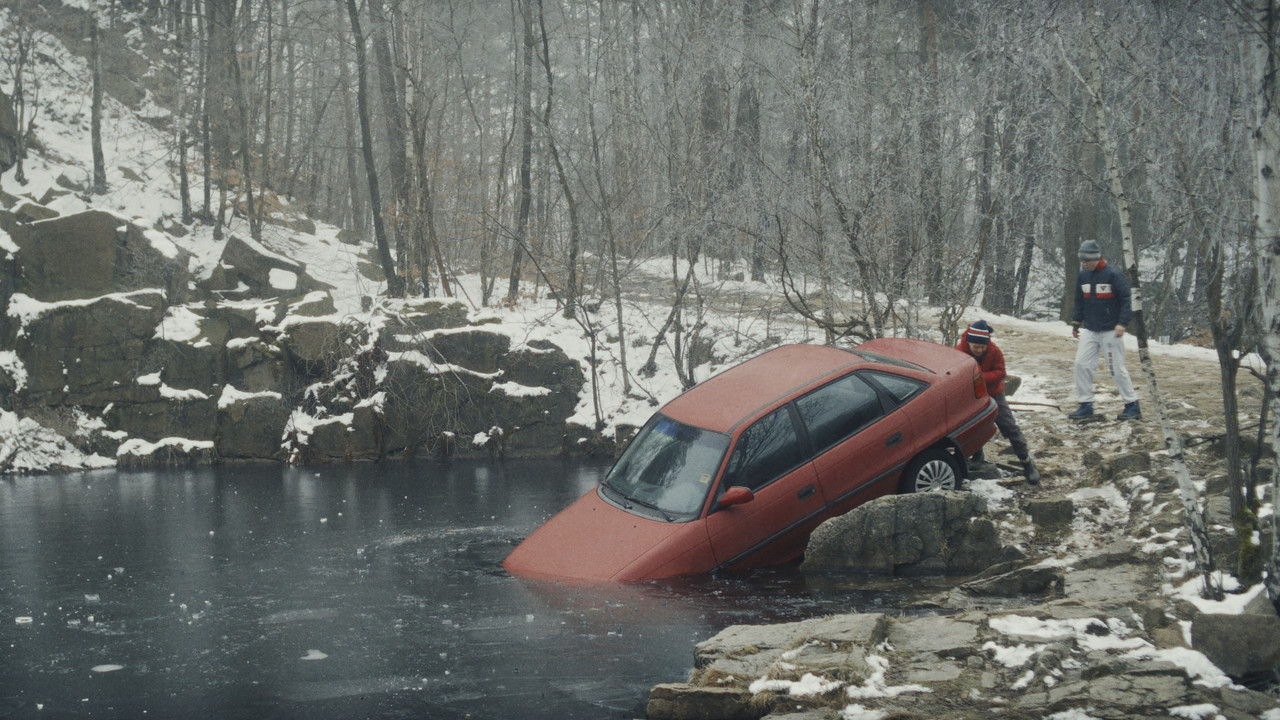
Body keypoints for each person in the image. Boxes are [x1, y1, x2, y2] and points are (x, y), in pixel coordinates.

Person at [957, 320, 1040, 485]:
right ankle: (977, 454)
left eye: (982, 347)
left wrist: (979, 378)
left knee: (1009, 426)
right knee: (971, 426)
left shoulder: (994, 351)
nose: (979, 350)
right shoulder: (960, 351)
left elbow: (1001, 372)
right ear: (969, 343)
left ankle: (1026, 462)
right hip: (972, 396)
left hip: (994, 393)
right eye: (976, 347)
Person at [1068, 239, 1141, 421]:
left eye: (1087, 260)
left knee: (1116, 368)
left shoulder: (1113, 275)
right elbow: (1079, 300)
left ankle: (1132, 404)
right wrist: (1076, 322)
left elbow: (1126, 299)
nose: (1084, 264)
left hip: (1111, 330)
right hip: (1091, 330)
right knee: (1081, 364)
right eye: (1082, 261)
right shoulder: (1083, 276)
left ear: (1096, 257)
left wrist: (1122, 323)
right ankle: (1085, 405)